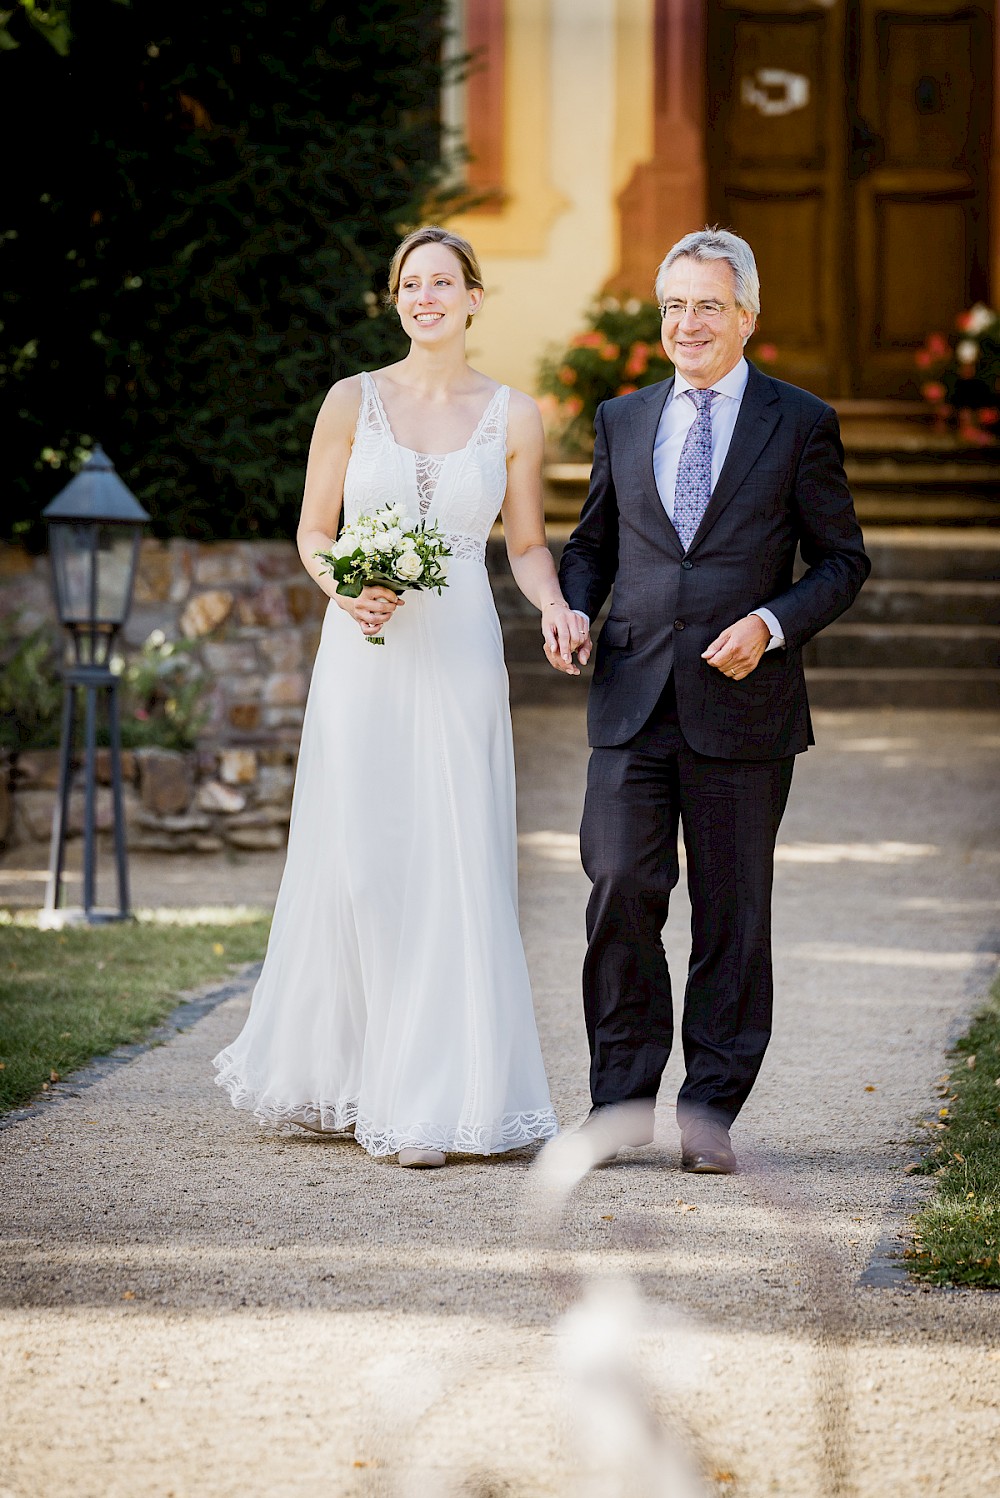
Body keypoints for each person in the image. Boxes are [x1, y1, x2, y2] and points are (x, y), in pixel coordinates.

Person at [215, 226, 584, 1168]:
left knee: (452, 857)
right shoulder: (351, 400)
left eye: (443, 282)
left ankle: (430, 1099)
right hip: (364, 651)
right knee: (366, 860)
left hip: (460, 651)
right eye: (410, 284)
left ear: (474, 298)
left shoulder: (515, 415)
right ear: (398, 300)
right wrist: (343, 585)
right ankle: (353, 1076)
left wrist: (555, 607)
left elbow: (528, 543)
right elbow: (312, 531)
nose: (426, 297)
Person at [554, 227, 870, 1173]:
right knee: (617, 887)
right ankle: (618, 1105)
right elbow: (591, 545)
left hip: (744, 705)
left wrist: (772, 623)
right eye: (675, 306)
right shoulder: (621, 417)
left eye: (707, 306)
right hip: (630, 694)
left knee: (733, 912)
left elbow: (843, 561)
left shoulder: (800, 421)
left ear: (747, 318)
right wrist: (572, 606)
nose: (688, 323)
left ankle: (708, 1114)